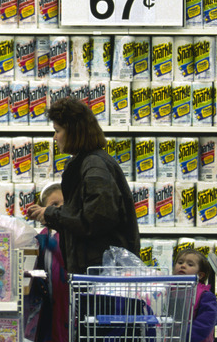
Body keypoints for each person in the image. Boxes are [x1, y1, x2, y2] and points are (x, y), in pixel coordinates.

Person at [27, 97, 140, 274]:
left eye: (57, 131)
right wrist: (50, 216)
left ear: (73, 132)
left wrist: (51, 214)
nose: (55, 137)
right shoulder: (87, 163)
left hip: (102, 274)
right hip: (97, 270)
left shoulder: (95, 167)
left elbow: (94, 220)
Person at [25, 183, 70, 342]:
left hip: (75, 301)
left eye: (64, 204)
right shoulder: (42, 238)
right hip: (55, 304)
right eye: (54, 204)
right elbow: (39, 268)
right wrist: (30, 273)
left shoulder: (74, 235)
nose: (59, 208)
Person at [173, 249, 217, 342]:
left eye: (190, 264)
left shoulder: (205, 296)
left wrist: (181, 338)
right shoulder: (168, 290)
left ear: (200, 275)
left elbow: (204, 325)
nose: (183, 265)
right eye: (180, 262)